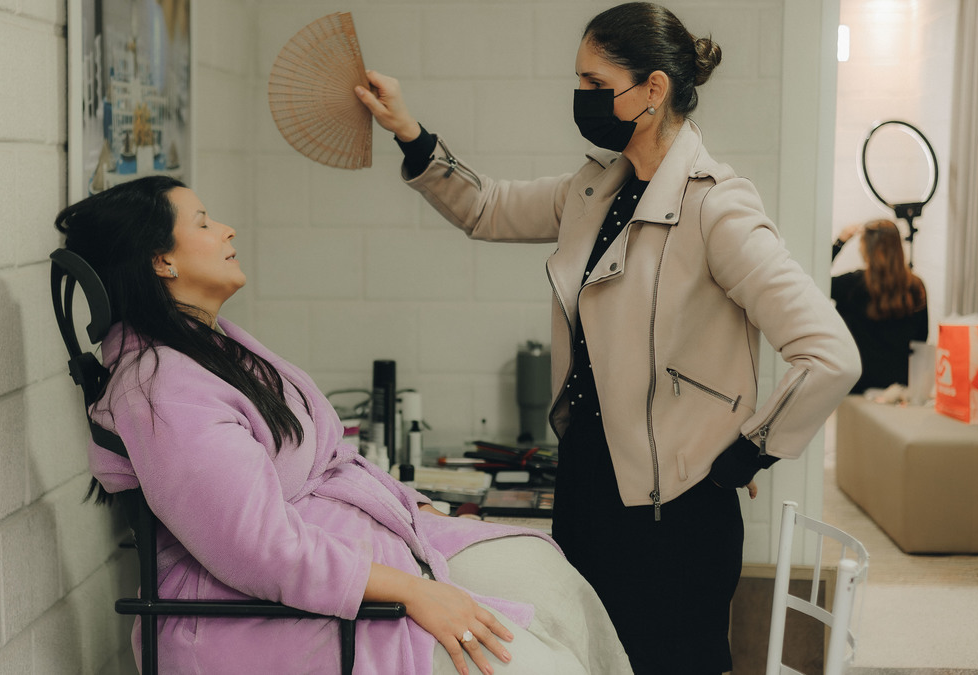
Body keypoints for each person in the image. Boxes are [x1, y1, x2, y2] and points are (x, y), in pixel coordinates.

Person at [354, 3, 861, 673]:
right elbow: (485, 206)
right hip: (588, 489)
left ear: (654, 89)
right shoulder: (594, 188)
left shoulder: (717, 206)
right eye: (579, 81)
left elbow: (830, 354)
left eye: (596, 84)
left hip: (674, 520)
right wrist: (407, 130)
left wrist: (744, 454)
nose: (582, 96)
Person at [53, 176, 631, 675]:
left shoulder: (206, 346)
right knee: (531, 662)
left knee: (548, 578)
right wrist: (417, 592)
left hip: (355, 552)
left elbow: (326, 460)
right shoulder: (163, 392)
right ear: (162, 261)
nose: (227, 231)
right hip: (268, 611)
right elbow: (260, 548)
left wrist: (416, 509)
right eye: (203, 223)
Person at [831, 218, 929, 393]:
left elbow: (815, 279)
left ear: (866, 248)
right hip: (898, 383)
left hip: (858, 382)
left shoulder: (852, 285)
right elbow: (922, 336)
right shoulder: (916, 286)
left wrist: (840, 242)